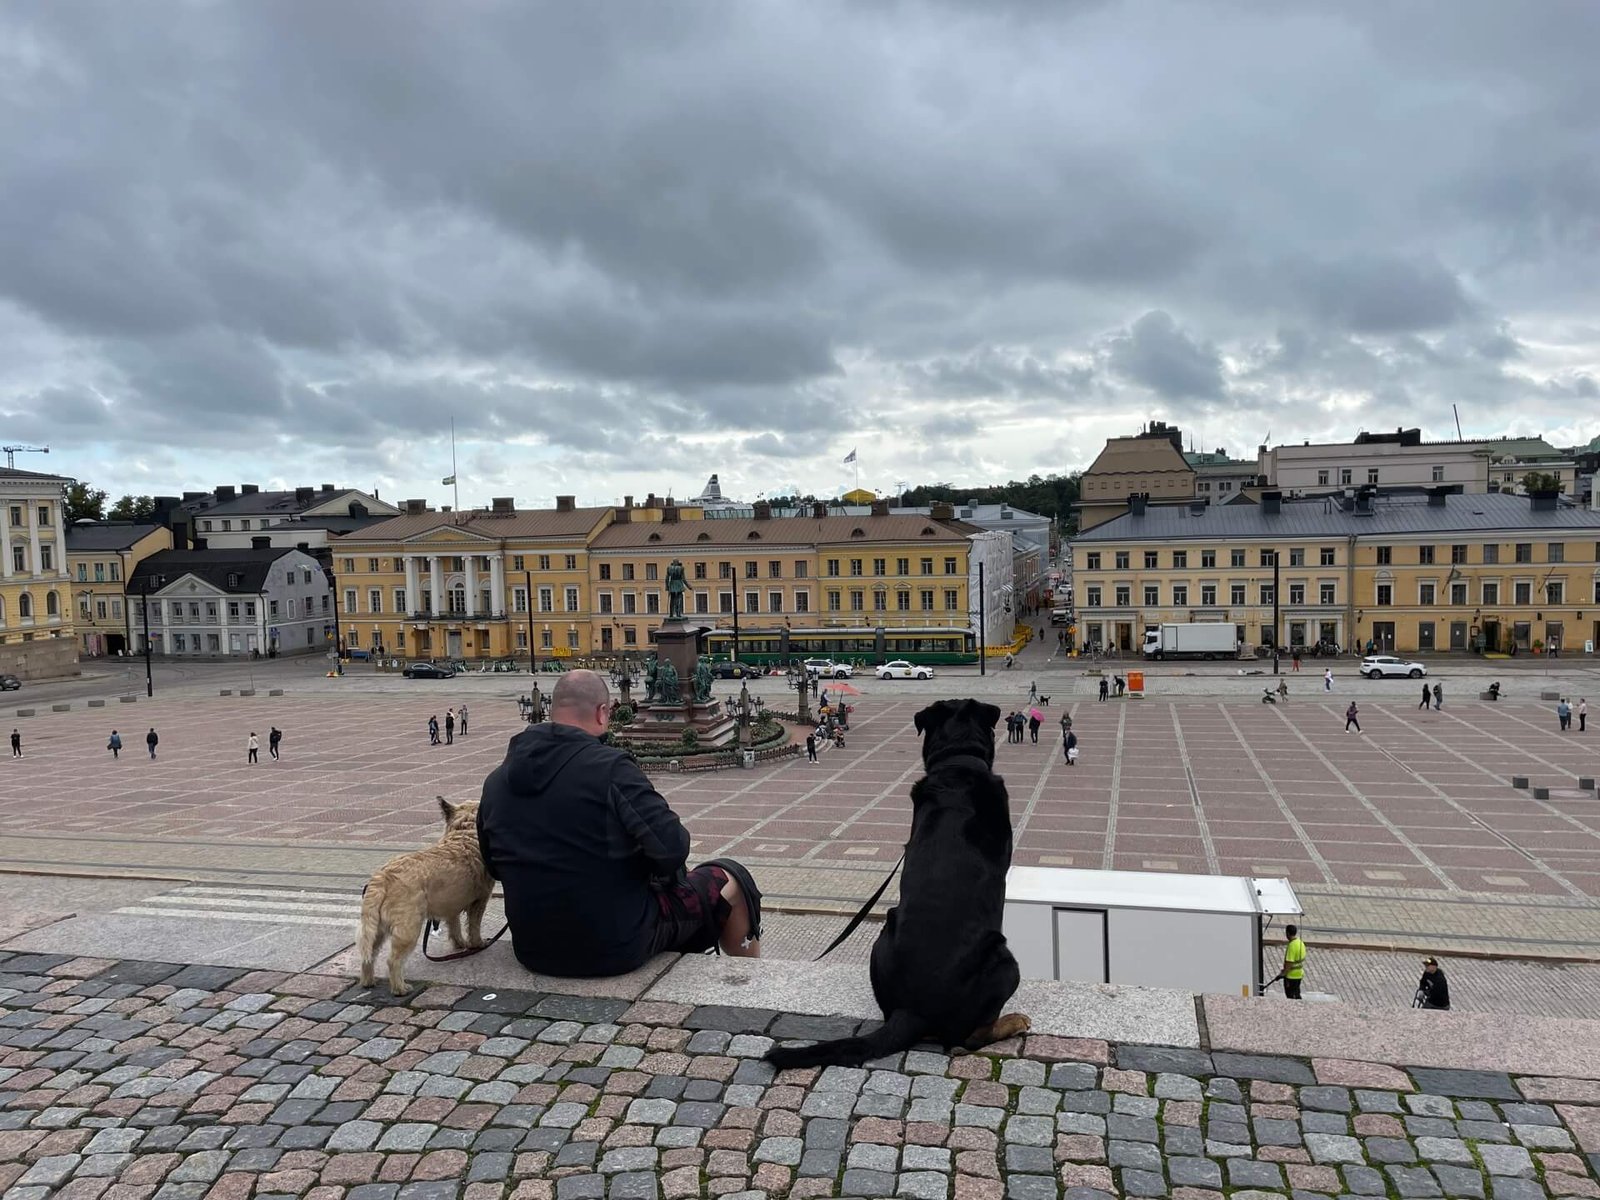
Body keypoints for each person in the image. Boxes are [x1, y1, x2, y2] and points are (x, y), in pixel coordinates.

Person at [477, 670, 762, 977]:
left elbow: (493, 866)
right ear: (602, 713)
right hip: (616, 945)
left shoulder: (496, 781)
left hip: (533, 948)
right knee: (731, 877)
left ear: (552, 710)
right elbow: (673, 849)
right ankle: (752, 984)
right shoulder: (611, 769)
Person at [1281, 924, 1306, 1000]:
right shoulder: (1300, 943)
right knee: (1297, 993)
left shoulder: (1291, 945)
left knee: (1291, 996)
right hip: (1299, 974)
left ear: (1287, 933)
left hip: (1291, 976)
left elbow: (1289, 962)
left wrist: (1283, 973)